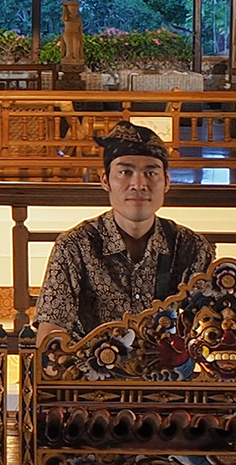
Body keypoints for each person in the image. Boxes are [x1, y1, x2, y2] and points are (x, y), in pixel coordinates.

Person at [32, 120, 213, 342]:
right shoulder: (75, 245)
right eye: (125, 172)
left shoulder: (191, 247)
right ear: (105, 180)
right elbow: (51, 331)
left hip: (169, 374)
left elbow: (208, 328)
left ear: (166, 182)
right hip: (89, 372)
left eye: (151, 173)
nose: (139, 184)